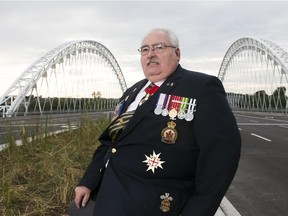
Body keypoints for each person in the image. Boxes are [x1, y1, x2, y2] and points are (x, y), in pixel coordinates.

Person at [69, 28, 241, 216]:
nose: (150, 54)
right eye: (144, 50)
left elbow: (221, 158)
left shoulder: (200, 87)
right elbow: (110, 142)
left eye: (159, 47)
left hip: (157, 204)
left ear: (177, 53)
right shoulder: (132, 92)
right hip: (108, 194)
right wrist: (88, 181)